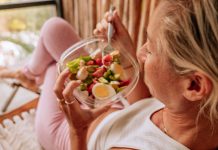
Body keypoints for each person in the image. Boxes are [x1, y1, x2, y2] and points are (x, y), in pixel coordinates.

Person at [1, 0, 217, 149]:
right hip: (112, 105)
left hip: (65, 130)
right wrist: (126, 52)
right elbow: (143, 107)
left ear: (194, 86)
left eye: (149, 50)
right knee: (54, 28)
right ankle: (30, 74)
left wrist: (78, 128)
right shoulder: (195, 111)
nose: (140, 53)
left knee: (52, 66)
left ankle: (29, 74)